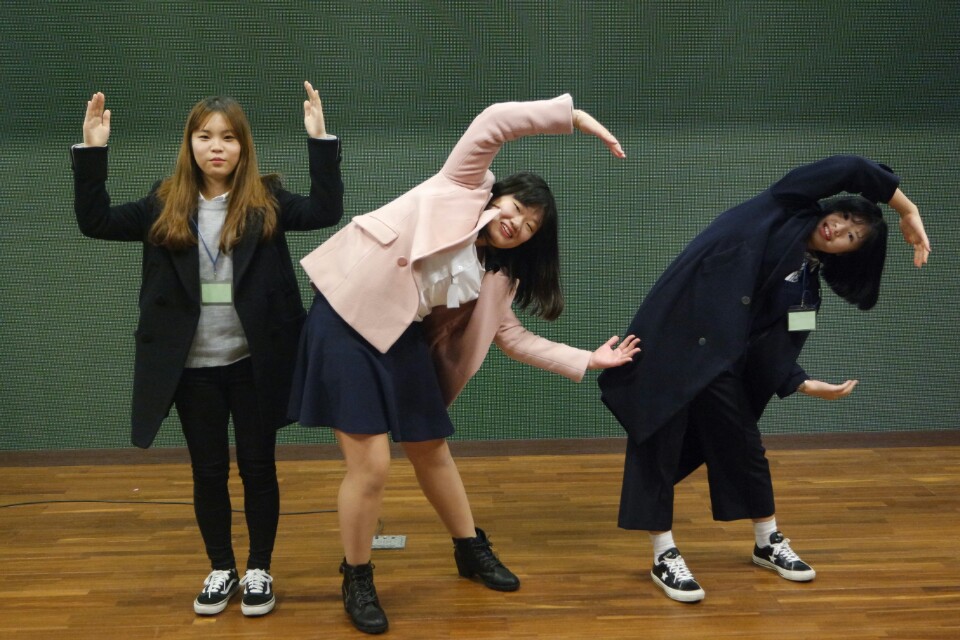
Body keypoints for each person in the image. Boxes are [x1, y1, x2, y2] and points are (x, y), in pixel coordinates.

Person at [289, 94, 640, 634]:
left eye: (530, 225)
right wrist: (574, 118)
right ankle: (356, 575)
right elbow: (495, 122)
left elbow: (513, 338)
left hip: (399, 332)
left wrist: (587, 359)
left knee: (431, 447)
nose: (517, 223)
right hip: (345, 316)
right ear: (497, 196)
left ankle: (469, 548)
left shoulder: (498, 276)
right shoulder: (461, 184)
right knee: (372, 465)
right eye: (516, 208)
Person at [598, 155, 930, 603]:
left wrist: (801, 382)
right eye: (844, 216)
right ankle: (663, 553)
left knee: (744, 445)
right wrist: (907, 209)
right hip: (671, 340)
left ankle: (767, 541)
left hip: (718, 364)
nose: (838, 228)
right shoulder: (782, 206)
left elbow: (777, 348)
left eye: (852, 236)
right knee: (658, 443)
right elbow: (850, 168)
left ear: (849, 255)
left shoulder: (807, 290)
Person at [70, 82, 344, 617]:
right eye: (204, 136)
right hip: (193, 369)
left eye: (228, 137)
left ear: (243, 146)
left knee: (259, 468)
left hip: (253, 363)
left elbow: (325, 210)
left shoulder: (267, 201)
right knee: (208, 471)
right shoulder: (162, 203)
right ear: (190, 143)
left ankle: (259, 568)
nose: (216, 146)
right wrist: (93, 151)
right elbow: (94, 221)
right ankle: (222, 567)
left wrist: (319, 140)